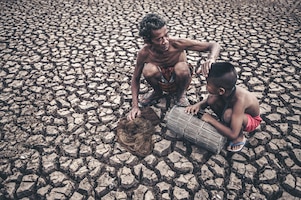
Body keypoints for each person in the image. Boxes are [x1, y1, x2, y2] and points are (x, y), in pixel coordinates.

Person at [127, 13, 221, 121]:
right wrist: (135, 106)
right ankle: (157, 92)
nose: (165, 41)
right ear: (148, 41)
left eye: (166, 35)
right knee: (148, 70)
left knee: (181, 67)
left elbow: (214, 45)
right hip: (162, 81)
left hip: (181, 79)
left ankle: (180, 94)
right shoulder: (144, 53)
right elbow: (135, 78)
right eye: (159, 39)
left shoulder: (177, 43)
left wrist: (211, 59)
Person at [185, 62, 262, 152]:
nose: (206, 86)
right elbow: (208, 101)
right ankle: (225, 125)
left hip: (251, 120)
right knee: (211, 99)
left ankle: (240, 138)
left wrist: (210, 119)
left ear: (221, 91)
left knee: (228, 115)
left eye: (208, 84)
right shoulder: (227, 90)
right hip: (234, 112)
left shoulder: (240, 100)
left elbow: (233, 134)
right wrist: (198, 105)